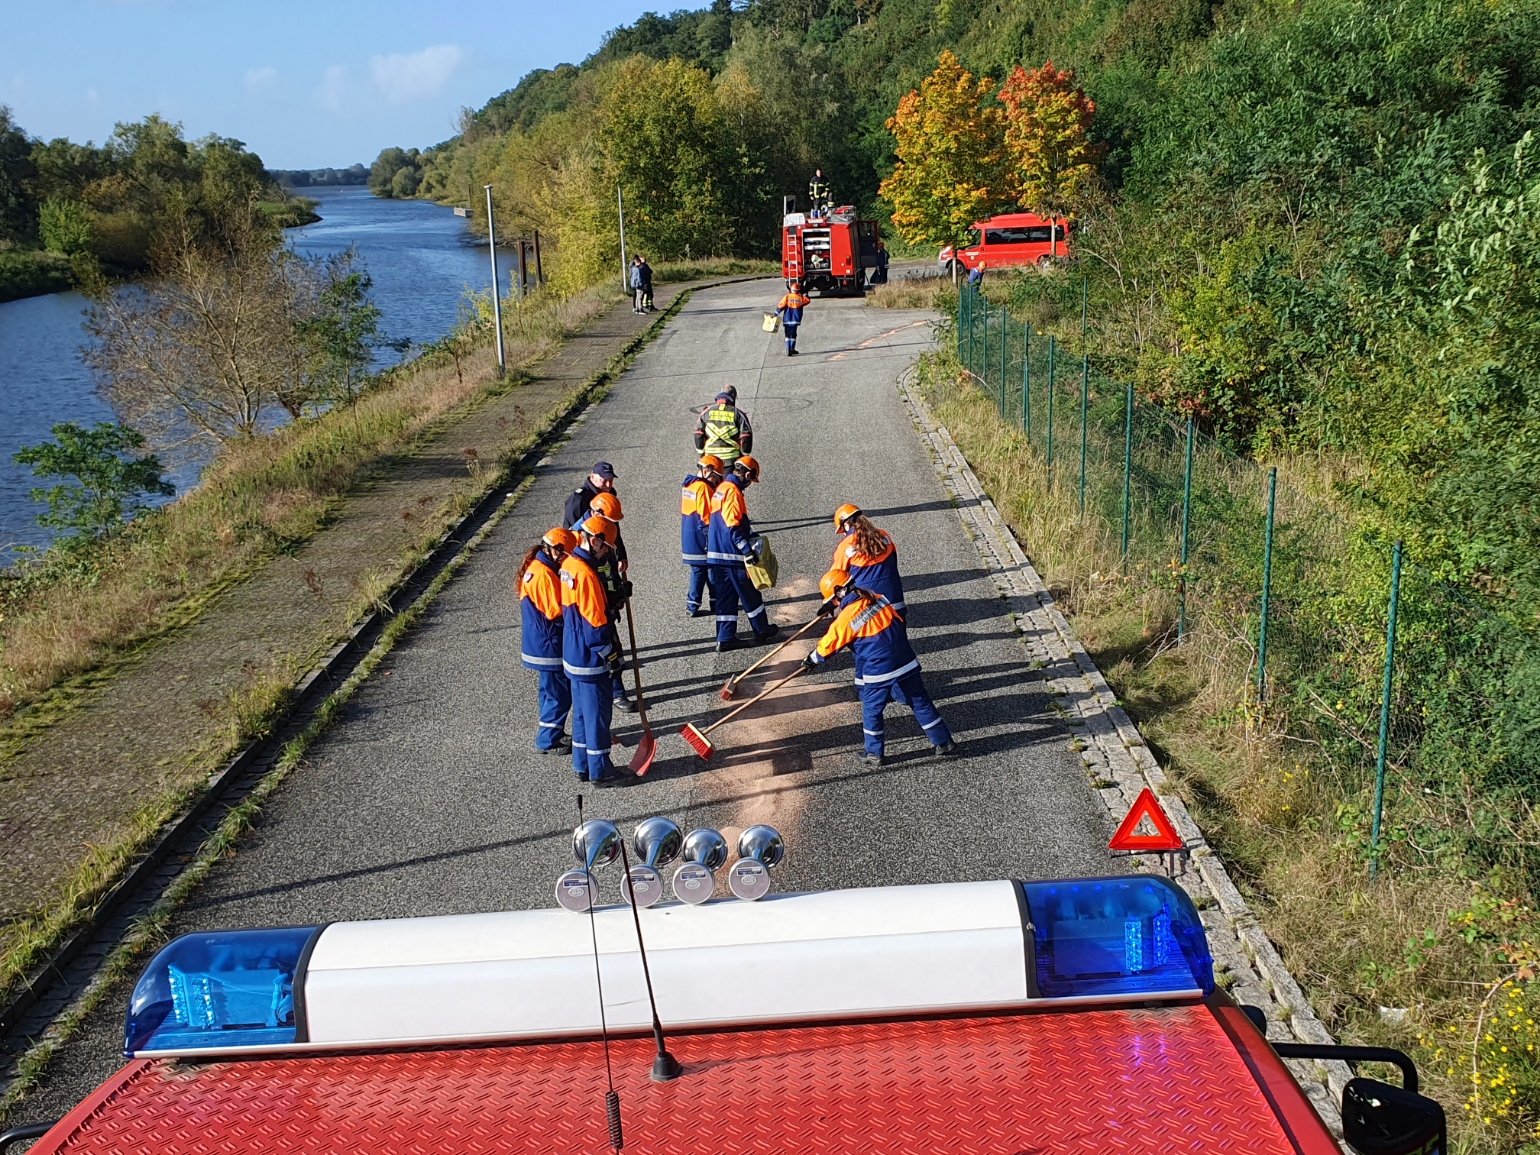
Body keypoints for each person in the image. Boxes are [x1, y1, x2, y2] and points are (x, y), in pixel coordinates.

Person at [802, 570, 956, 767]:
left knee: (872, 708)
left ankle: (874, 753)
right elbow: (898, 622)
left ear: (840, 593)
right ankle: (943, 742)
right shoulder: (877, 598)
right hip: (904, 658)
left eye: (833, 601)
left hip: (880, 666)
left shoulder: (847, 617)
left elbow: (830, 643)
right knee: (920, 701)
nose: (834, 605)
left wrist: (811, 660)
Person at [561, 516, 628, 786]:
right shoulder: (587, 574)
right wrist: (609, 653)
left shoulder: (569, 565)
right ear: (594, 540)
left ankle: (582, 764)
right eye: (604, 549)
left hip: (573, 651)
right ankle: (601, 770)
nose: (605, 554)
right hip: (590, 656)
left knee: (581, 713)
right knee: (599, 714)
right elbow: (594, 622)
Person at [707, 455, 780, 652]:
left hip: (717, 555)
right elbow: (732, 525)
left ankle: (725, 638)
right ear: (747, 474)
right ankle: (761, 630)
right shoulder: (733, 491)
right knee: (750, 592)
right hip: (732, 556)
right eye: (750, 480)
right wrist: (747, 550)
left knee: (726, 598)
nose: (749, 484)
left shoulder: (721, 489)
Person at [519, 527, 577, 753]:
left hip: (539, 643)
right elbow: (556, 611)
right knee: (559, 694)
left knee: (549, 692)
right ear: (556, 551)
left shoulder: (536, 567)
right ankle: (548, 740)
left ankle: (552, 731)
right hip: (549, 644)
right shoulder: (544, 575)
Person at [587, 491, 637, 714]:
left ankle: (616, 693)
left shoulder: (605, 533)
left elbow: (611, 565)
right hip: (594, 613)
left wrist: (619, 592)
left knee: (616, 653)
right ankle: (614, 695)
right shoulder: (586, 541)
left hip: (608, 605)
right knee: (609, 656)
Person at [830, 503, 905, 614]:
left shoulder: (846, 545)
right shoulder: (883, 535)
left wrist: (830, 603)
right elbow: (893, 561)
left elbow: (835, 579)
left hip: (867, 611)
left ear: (846, 524)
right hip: (897, 605)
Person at [682, 454, 724, 617]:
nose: (717, 481)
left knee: (698, 570)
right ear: (707, 471)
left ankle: (695, 604)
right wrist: (712, 537)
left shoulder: (689, 485)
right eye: (716, 477)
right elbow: (706, 517)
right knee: (709, 570)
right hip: (701, 537)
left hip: (689, 534)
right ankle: (707, 603)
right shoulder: (704, 488)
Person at [693, 389, 753, 468]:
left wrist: (701, 454)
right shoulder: (738, 413)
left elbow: (698, 434)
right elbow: (746, 436)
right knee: (729, 480)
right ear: (734, 397)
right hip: (731, 459)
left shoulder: (706, 412)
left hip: (709, 459)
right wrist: (744, 456)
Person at [777, 282, 811, 356]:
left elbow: (781, 306)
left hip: (787, 319)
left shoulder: (787, 297)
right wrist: (805, 293)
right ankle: (792, 349)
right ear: (798, 290)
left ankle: (787, 348)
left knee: (787, 335)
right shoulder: (800, 298)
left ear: (791, 289)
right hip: (795, 320)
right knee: (793, 334)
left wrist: (775, 313)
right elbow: (807, 300)